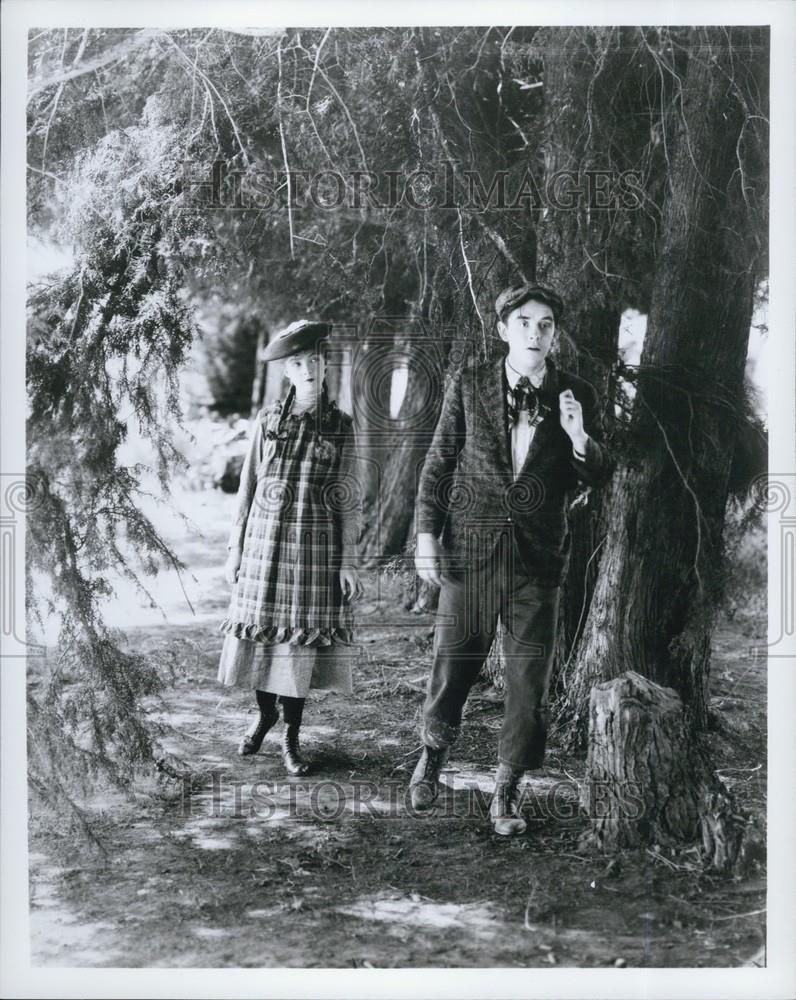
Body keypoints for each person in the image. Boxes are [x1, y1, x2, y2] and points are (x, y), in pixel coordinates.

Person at [412, 284, 612, 834]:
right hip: (471, 553)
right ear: (503, 330)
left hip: (537, 560)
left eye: (546, 323)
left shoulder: (577, 393)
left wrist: (578, 438)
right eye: (524, 321)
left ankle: (507, 791)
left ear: (555, 334)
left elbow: (600, 470)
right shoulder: (471, 382)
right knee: (452, 668)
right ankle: (431, 758)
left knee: (528, 683)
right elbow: (438, 463)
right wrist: (426, 537)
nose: (535, 331)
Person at [217, 320, 362, 774]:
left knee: (297, 647)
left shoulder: (340, 427)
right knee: (264, 638)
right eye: (298, 362)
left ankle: (292, 740)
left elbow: (348, 497)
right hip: (263, 545)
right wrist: (234, 550)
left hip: (312, 551)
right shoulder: (266, 423)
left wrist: (348, 562)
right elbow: (247, 487)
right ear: (287, 371)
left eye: (315, 360)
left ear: (325, 364)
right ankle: (263, 718)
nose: (308, 368)